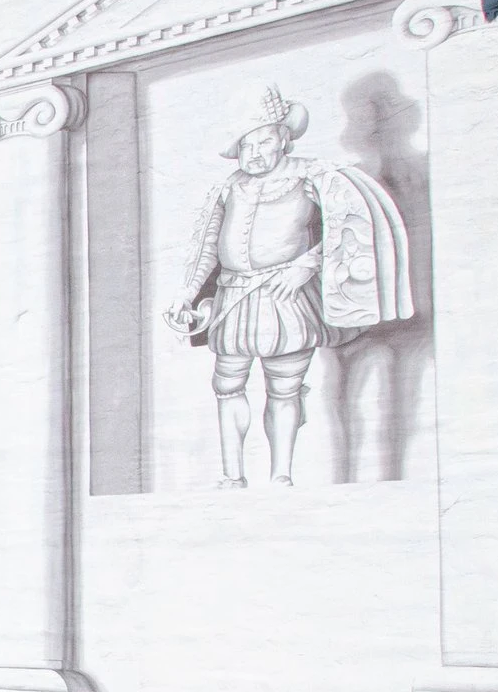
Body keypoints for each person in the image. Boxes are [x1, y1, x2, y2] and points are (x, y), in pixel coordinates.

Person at [164, 86, 411, 487]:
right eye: (247, 145)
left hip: (285, 298)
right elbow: (207, 247)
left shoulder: (315, 176)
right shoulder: (229, 187)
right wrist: (186, 294)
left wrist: (307, 265)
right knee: (227, 386)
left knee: (284, 389)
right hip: (233, 298)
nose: (256, 153)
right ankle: (232, 476)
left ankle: (281, 476)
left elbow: (348, 227)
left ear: (283, 138)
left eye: (263, 141)